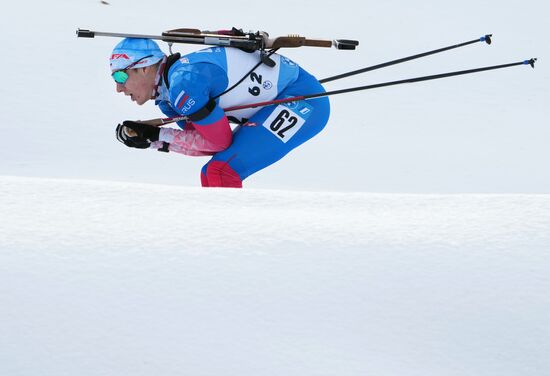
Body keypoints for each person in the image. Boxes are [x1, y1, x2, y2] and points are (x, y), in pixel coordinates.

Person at [111, 32, 330, 188]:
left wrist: (157, 135)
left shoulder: (183, 83)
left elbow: (219, 142)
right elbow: (204, 142)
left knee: (222, 171)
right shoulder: (168, 100)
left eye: (120, 76)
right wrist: (154, 140)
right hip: (284, 99)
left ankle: (229, 244)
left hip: (303, 100)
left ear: (146, 67)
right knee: (212, 172)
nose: (119, 87)